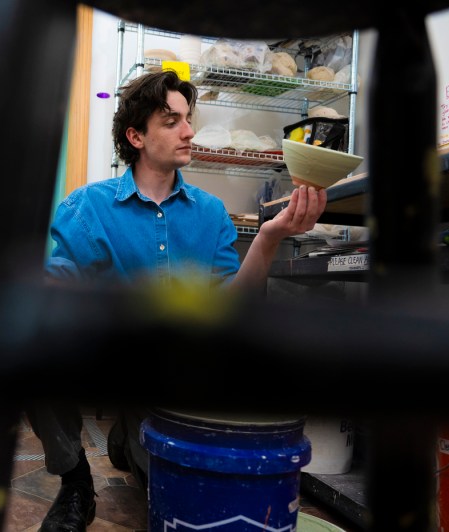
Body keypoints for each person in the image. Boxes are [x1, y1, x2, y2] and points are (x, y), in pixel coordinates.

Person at [29, 69, 327, 531]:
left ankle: (130, 440)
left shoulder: (210, 214)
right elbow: (55, 287)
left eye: (188, 119)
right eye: (171, 121)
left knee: (168, 488)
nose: (189, 131)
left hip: (180, 378)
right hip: (107, 365)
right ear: (136, 136)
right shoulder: (88, 207)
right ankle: (75, 482)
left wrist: (268, 239)